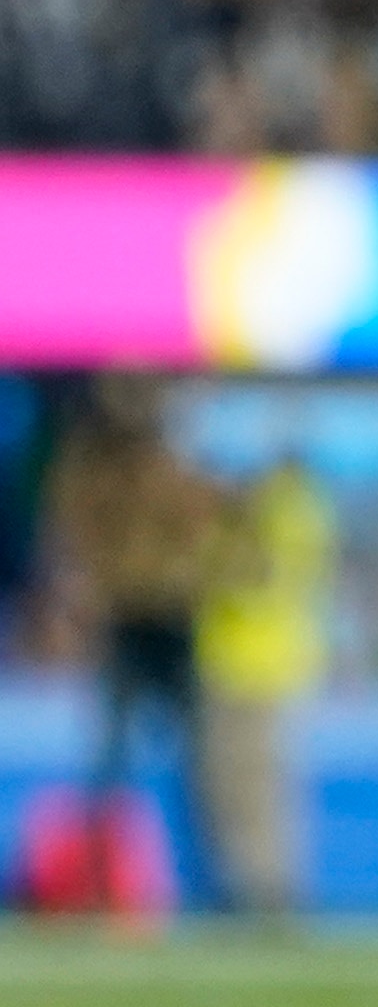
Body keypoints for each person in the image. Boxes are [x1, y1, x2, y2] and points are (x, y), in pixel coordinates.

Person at [38, 374, 232, 911]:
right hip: (129, 621)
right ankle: (98, 886)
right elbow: (75, 538)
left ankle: (215, 885)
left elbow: (203, 533)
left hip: (166, 621)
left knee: (192, 766)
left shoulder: (167, 464)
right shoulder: (98, 468)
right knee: (112, 764)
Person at [193, 447, 339, 917]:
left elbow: (232, 578)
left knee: (255, 780)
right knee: (242, 781)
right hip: (250, 659)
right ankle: (261, 881)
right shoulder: (303, 511)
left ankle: (267, 884)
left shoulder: (265, 515)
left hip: (254, 661)